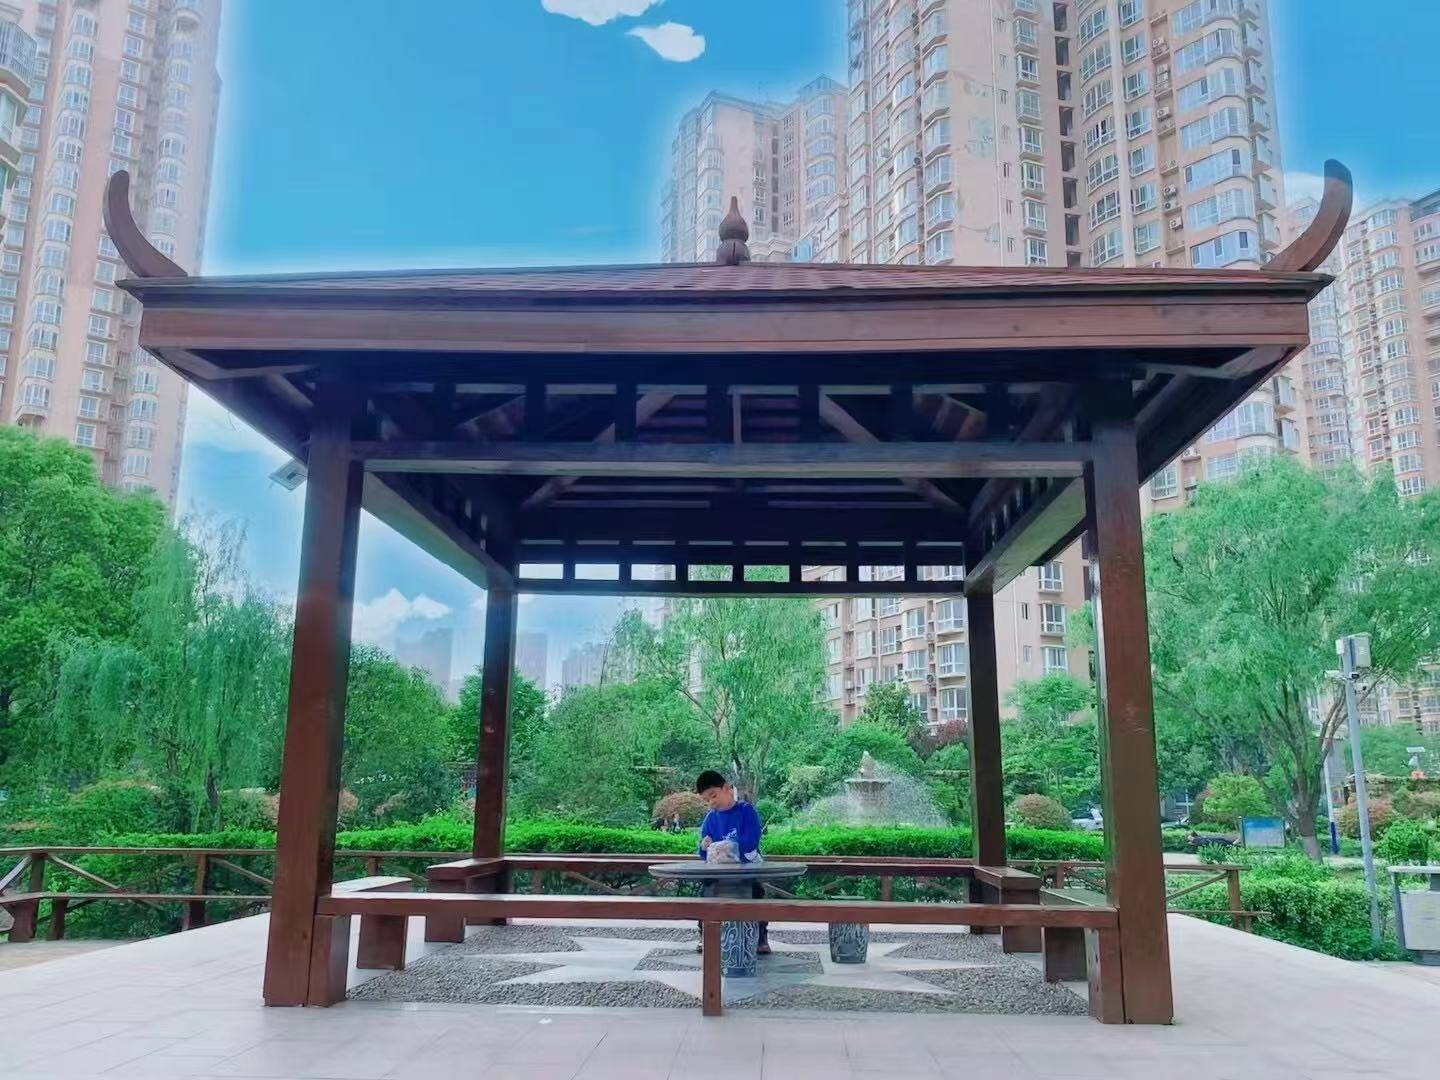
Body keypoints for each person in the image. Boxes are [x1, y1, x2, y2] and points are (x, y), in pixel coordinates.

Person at [695, 769, 769, 954]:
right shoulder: (710, 819)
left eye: (713, 795)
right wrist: (704, 846)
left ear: (727, 788)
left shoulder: (746, 811)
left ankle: (760, 937)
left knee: (756, 892)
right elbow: (703, 852)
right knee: (705, 892)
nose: (711, 802)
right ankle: (706, 935)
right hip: (718, 873)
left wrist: (728, 848)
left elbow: (751, 841)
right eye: (706, 800)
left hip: (746, 869)